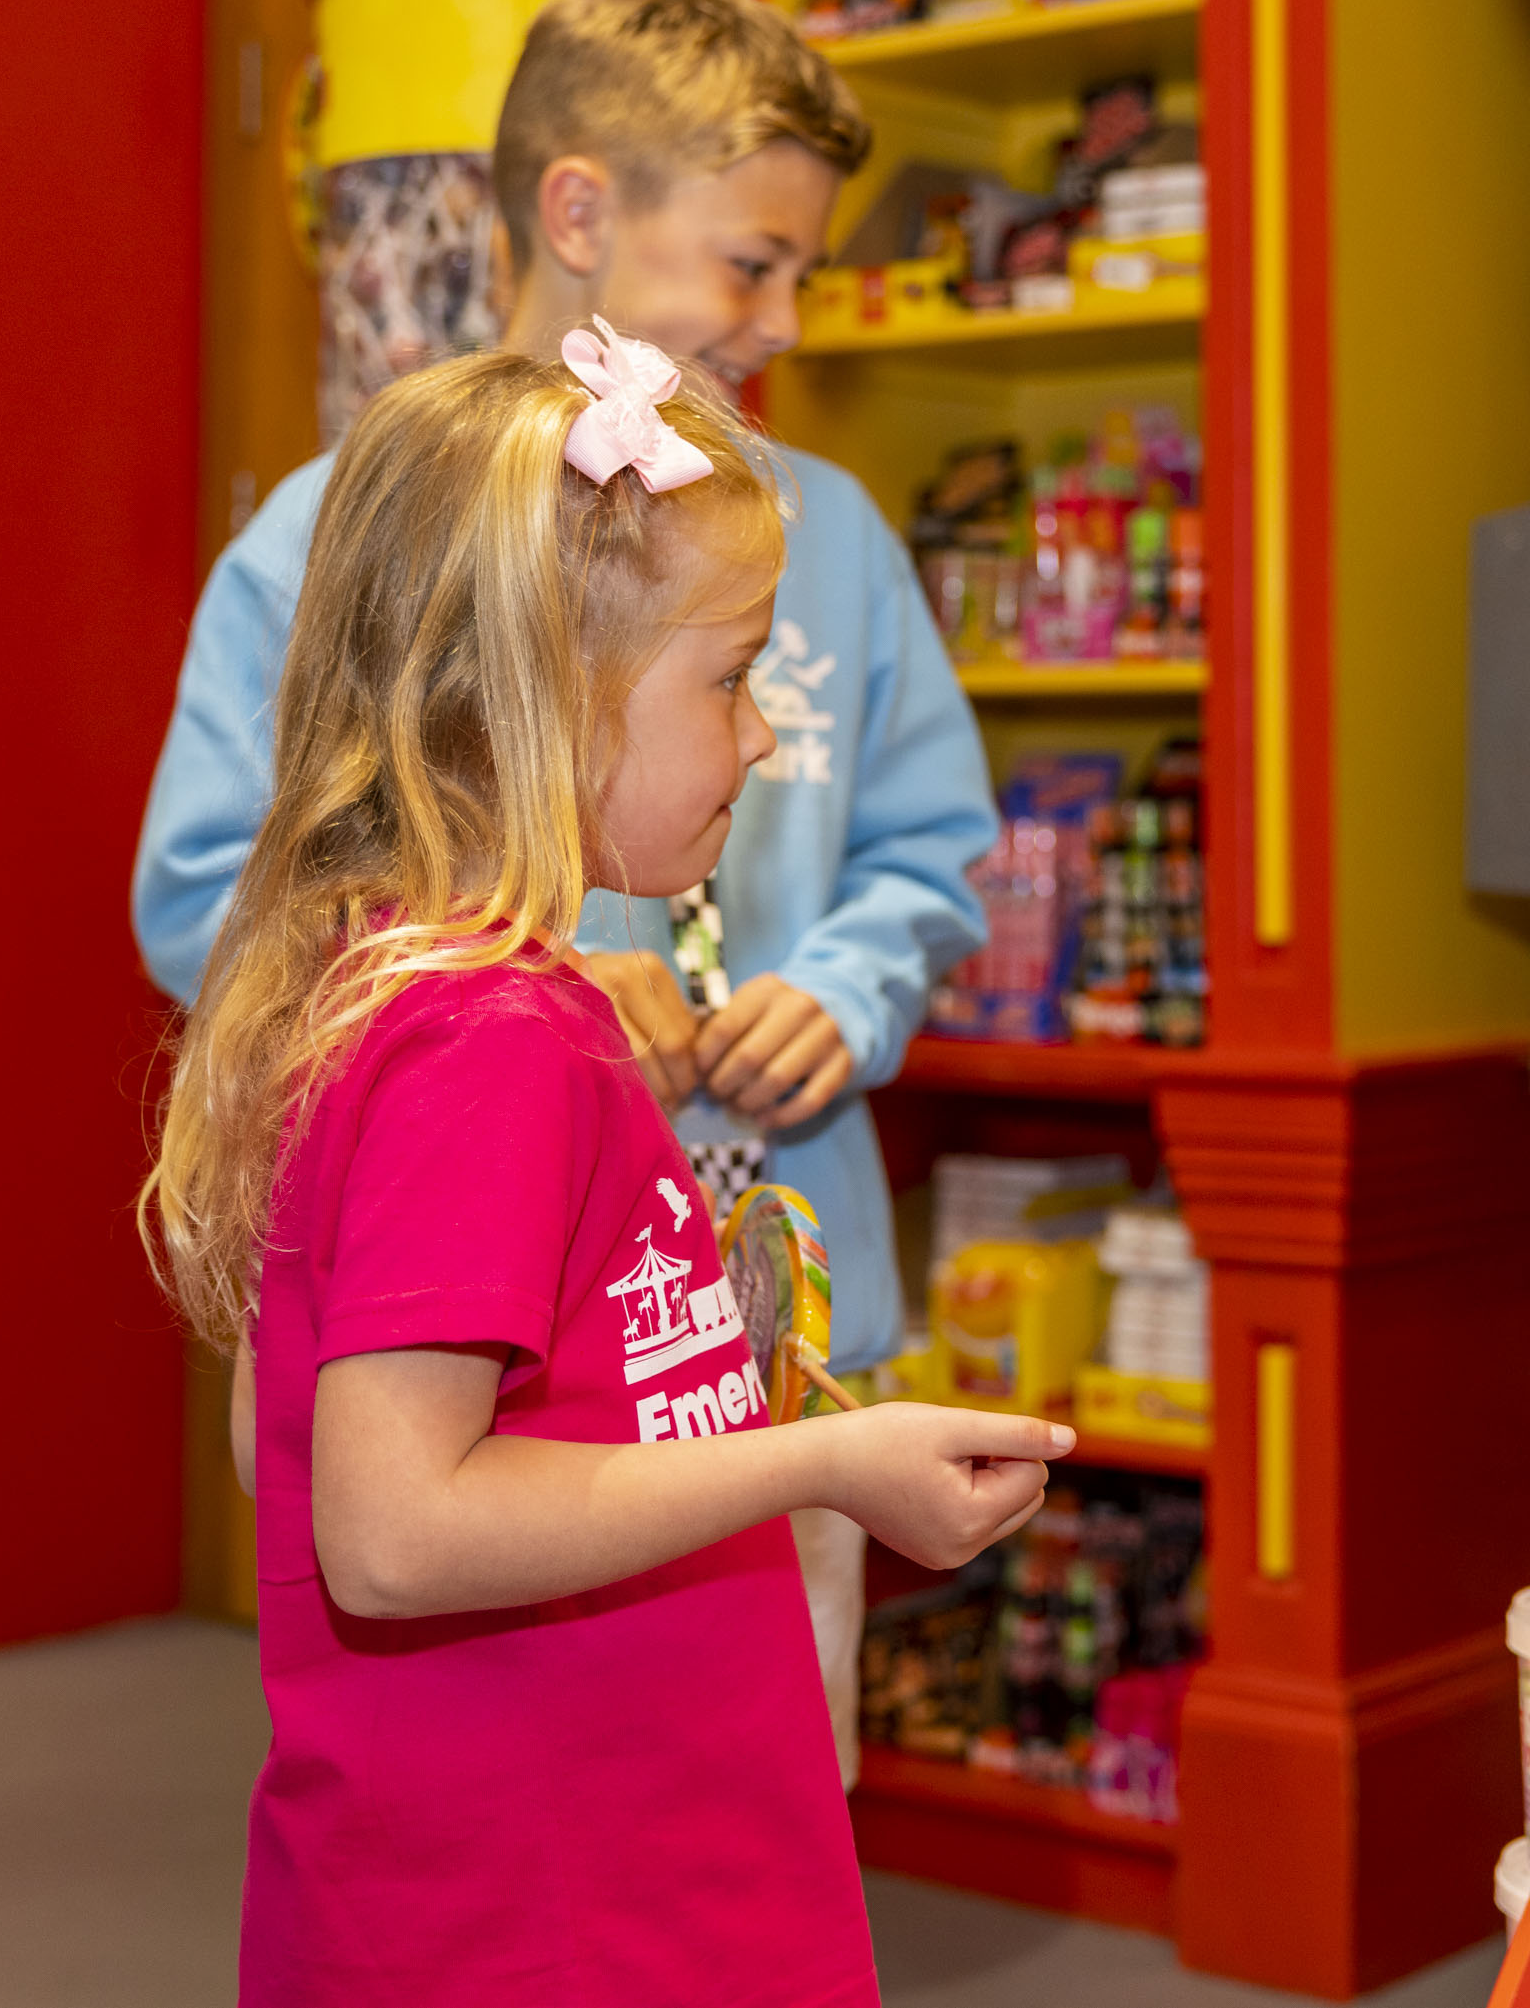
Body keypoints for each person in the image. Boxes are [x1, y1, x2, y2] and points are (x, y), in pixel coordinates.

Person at [134, 0, 997, 1779]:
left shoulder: (818, 535)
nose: (776, 313)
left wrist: (838, 990)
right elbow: (218, 885)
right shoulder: (337, 536)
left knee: (764, 1753)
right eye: (752, 261)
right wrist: (512, 966)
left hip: (765, 1294)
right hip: (472, 1335)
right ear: (581, 211)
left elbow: (932, 847)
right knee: (494, 1781)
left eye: (798, 275)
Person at [138, 333, 1066, 2004]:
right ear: (554, 694)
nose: (766, 737)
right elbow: (392, 1529)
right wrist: (819, 1467)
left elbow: (278, 1443)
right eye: (729, 679)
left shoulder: (395, 986)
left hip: (544, 1875)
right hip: (554, 1915)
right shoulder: (489, 1039)